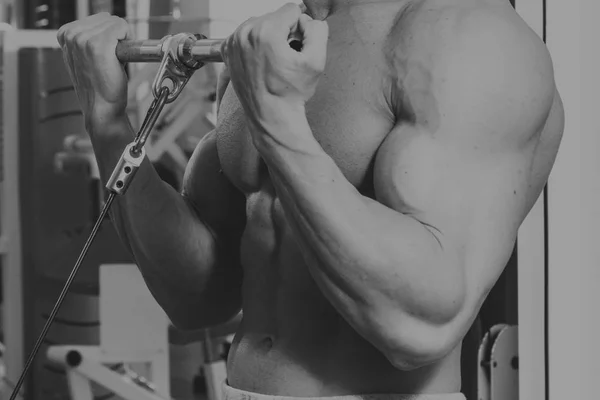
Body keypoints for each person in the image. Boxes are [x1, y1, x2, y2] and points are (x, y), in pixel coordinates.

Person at [57, 0, 564, 398]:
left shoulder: (470, 40)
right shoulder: (269, 43)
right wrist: (106, 120)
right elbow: (199, 295)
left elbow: (421, 325)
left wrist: (278, 122)